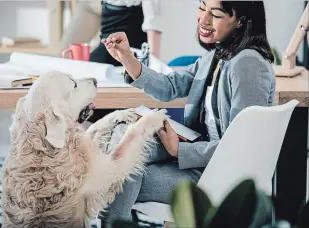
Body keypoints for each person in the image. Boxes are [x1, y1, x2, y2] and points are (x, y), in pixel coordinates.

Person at [100, 0, 276, 226]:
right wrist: (127, 58)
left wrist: (179, 150)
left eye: (216, 14)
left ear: (241, 20)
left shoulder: (248, 64)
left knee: (124, 175)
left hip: (220, 173)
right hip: (201, 153)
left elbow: (242, 146)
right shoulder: (219, 54)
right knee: (127, 148)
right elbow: (169, 86)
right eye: (202, 8)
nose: (204, 19)